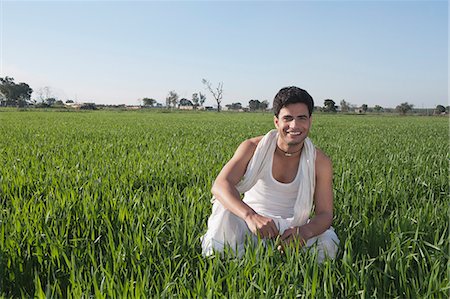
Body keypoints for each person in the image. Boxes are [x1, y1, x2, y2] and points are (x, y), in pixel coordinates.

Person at [201, 86, 339, 261]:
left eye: (301, 118)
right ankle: (237, 263)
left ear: (310, 121)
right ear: (276, 122)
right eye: (287, 118)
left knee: (328, 243)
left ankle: (274, 257)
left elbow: (325, 213)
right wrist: (250, 216)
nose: (294, 126)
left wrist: (304, 232)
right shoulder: (252, 147)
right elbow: (220, 185)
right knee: (224, 214)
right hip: (251, 223)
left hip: (292, 228)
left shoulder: (320, 161)